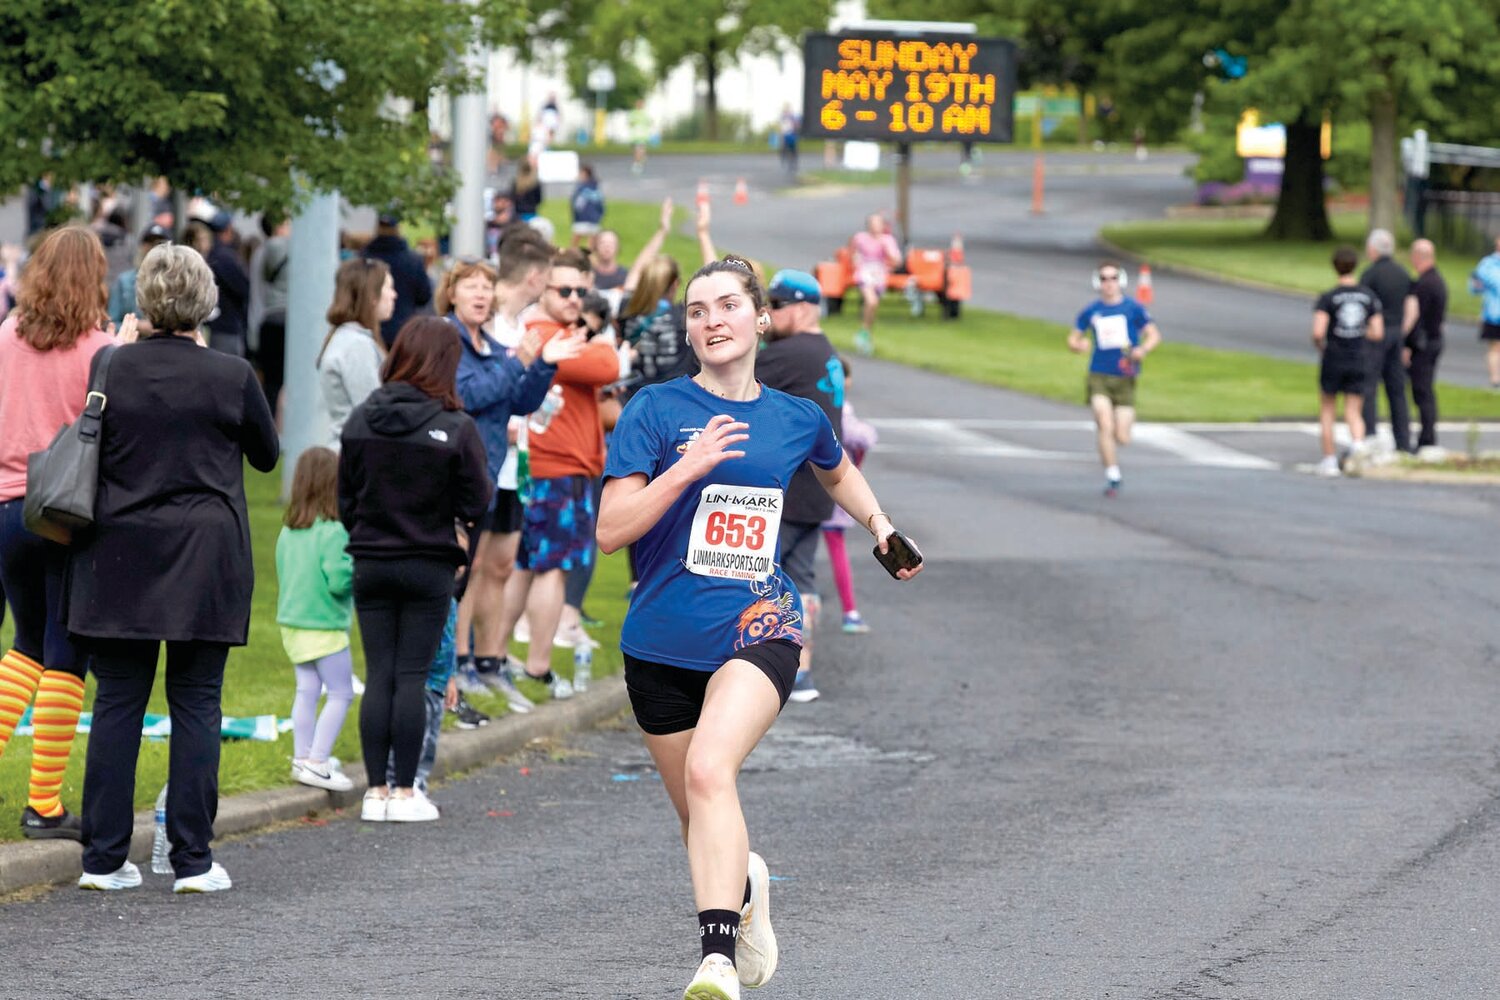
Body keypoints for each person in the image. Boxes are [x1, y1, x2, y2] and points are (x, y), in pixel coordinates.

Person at [596, 256, 923, 1000]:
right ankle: (747, 884)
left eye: (727, 305)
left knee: (713, 772)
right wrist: (688, 468)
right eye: (698, 310)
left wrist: (880, 527)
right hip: (659, 641)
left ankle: (715, 958)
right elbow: (612, 531)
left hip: (758, 624)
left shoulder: (796, 418)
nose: (712, 319)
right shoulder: (655, 410)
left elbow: (836, 469)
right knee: (699, 815)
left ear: (760, 318)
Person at [72, 243, 279, 892]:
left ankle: (103, 858)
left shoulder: (111, 365)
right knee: (196, 703)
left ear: (144, 301)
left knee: (117, 703)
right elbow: (268, 457)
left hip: (119, 548)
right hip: (204, 550)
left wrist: (121, 345)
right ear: (206, 303)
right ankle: (192, 858)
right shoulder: (231, 374)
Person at [338, 317, 491, 822]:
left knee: (379, 672)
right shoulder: (455, 427)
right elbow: (478, 498)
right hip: (428, 563)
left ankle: (374, 791)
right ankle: (406, 792)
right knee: (411, 674)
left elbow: (345, 499)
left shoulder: (362, 420)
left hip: (371, 561)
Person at [0, 226, 116, 842]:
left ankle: (40, 803)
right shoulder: (101, 348)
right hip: (66, 513)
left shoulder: (6, 336)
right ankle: (43, 805)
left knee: (24, 646)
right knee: (67, 652)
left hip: (6, 509)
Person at [445, 250, 582, 711]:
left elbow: (520, 401)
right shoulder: (448, 340)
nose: (482, 294)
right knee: (459, 573)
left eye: (487, 286)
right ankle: (451, 672)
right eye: (472, 286)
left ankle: (483, 664)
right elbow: (469, 395)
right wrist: (522, 356)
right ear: (451, 294)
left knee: (492, 569)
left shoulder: (490, 344)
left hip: (494, 473)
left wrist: (542, 365)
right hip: (456, 476)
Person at [491, 248, 617, 700]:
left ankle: (496, 655)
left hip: (553, 466)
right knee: (553, 570)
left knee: (527, 566)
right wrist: (599, 339)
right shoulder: (544, 332)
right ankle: (538, 664)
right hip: (555, 467)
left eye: (582, 291)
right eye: (564, 290)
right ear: (540, 286)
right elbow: (608, 365)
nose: (574, 298)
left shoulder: (556, 331)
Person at [756, 269, 843, 703]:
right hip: (817, 489)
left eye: (778, 305)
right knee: (801, 578)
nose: (769, 314)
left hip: (788, 489)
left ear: (805, 307)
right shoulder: (823, 350)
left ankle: (765, 665)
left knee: (759, 574)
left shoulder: (790, 353)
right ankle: (802, 673)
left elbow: (733, 376)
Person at [276, 447, 357, 792]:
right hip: (325, 628)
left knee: (307, 691)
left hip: (292, 625)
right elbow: (339, 581)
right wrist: (358, 570)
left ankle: (302, 756)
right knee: (341, 693)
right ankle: (318, 761)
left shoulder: (287, 532)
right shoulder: (334, 532)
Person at [1066, 261, 1162, 495]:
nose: (1108, 284)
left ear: (1121, 281)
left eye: (1113, 278)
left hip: (1125, 376)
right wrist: (1079, 345)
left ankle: (1116, 449)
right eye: (1104, 279)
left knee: (1122, 435)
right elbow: (1073, 338)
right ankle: (1113, 474)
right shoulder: (1092, 311)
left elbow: (1153, 334)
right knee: (1104, 422)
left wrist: (1143, 350)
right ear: (1097, 282)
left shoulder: (1133, 309)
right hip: (1099, 373)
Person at [1312, 246, 1384, 477]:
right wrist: (1361, 334)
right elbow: (1377, 331)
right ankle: (1358, 450)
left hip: (1334, 356)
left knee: (1328, 409)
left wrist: (1321, 346)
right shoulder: (1368, 296)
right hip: (1358, 356)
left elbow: (1318, 331)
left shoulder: (1328, 297)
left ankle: (1330, 459)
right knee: (1354, 410)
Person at [821, 356, 878, 634]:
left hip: (809, 493)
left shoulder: (819, 405)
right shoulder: (841, 410)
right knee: (835, 551)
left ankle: (848, 609)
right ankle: (849, 610)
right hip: (829, 495)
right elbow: (863, 437)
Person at [318, 257, 395, 446]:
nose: (394, 295)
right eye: (389, 288)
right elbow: (373, 409)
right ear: (372, 296)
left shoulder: (350, 338)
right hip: (356, 456)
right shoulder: (356, 345)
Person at [1358, 229, 1413, 453]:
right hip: (1397, 333)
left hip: (1375, 335)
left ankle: (1370, 434)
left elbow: (1364, 306)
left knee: (1369, 386)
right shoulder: (1403, 273)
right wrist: (1404, 331)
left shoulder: (1370, 275)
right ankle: (1403, 441)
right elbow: (1411, 305)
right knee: (1397, 390)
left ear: (1373, 249)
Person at [362, 212, 434, 349]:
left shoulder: (365, 258)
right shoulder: (413, 260)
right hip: (404, 330)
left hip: (371, 327)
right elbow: (424, 296)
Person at [1403, 239, 1447, 450]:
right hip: (1434, 340)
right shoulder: (1437, 281)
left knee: (1422, 390)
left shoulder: (1424, 285)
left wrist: (1407, 345)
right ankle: (1426, 435)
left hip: (1424, 344)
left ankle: (1427, 437)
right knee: (1424, 390)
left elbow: (1415, 318)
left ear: (1417, 257)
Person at [248, 209, 292, 417]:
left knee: (271, 384)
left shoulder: (260, 253)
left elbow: (257, 294)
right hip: (287, 320)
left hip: (267, 321)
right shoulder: (290, 248)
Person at [849, 214, 901, 357]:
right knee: (871, 301)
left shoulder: (887, 240)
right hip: (865, 270)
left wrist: (888, 253)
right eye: (872, 223)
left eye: (878, 223)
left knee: (873, 305)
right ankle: (864, 332)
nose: (875, 226)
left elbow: (896, 261)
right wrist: (855, 261)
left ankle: (866, 333)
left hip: (878, 272)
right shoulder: (860, 238)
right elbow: (852, 252)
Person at [107, 223, 171, 330]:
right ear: (142, 246)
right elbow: (111, 324)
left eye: (160, 244)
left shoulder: (176, 281)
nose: (154, 248)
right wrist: (137, 326)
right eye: (150, 243)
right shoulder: (124, 281)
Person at [204, 212, 251, 357]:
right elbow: (244, 288)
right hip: (227, 327)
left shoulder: (211, 255)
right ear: (228, 229)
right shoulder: (225, 257)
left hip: (215, 325)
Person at [1470, 235, 1500, 389]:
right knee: (1495, 346)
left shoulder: (1487, 264)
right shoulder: (1488, 264)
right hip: (1494, 313)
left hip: (1493, 311)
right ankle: (1495, 379)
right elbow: (1475, 286)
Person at [571, 164, 606, 247]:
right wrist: (599, 215)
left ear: (585, 174)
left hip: (582, 218)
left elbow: (577, 205)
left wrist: (576, 216)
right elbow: (601, 204)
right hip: (594, 219)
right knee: (591, 245)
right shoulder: (596, 188)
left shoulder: (581, 189)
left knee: (575, 242)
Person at [590, 230, 628, 296]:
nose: (607, 247)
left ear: (618, 247)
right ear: (595, 246)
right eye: (602, 243)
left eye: (611, 243)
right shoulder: (587, 274)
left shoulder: (626, 276)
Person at [629, 100, 652, 175]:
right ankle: (640, 160)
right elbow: (631, 123)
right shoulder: (634, 113)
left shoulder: (644, 114)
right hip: (636, 136)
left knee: (639, 150)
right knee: (637, 151)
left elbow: (649, 123)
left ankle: (637, 164)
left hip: (642, 136)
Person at [778, 104, 800, 174]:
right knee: (784, 150)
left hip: (792, 136)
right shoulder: (783, 117)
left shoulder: (793, 117)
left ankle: (793, 164)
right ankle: (786, 161)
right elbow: (781, 128)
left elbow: (796, 125)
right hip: (786, 136)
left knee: (793, 151)